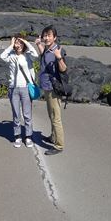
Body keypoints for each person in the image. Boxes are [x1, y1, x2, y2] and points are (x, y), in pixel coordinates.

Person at [0, 34, 39, 148]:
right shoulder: (11, 56)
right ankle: (17, 136)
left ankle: (28, 136)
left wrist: (26, 42)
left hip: (26, 88)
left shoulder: (27, 56)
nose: (19, 45)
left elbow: (36, 55)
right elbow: (2, 56)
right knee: (16, 114)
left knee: (27, 115)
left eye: (21, 43)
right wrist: (11, 45)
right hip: (13, 89)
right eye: (17, 42)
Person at [35, 25, 67, 156]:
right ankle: (53, 137)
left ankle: (59, 145)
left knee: (56, 118)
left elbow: (64, 69)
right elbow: (44, 55)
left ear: (55, 37)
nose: (46, 37)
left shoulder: (57, 50)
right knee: (51, 115)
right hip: (47, 88)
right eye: (44, 35)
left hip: (53, 89)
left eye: (49, 35)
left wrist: (59, 57)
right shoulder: (48, 49)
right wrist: (38, 45)